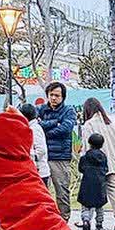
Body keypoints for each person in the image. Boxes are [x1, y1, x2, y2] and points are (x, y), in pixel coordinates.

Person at [80, 98, 115, 230]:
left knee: (91, 192)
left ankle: (87, 219)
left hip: (93, 166)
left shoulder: (89, 124)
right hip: (110, 162)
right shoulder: (110, 123)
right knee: (113, 188)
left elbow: (86, 146)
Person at [38, 82, 76, 220]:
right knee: (42, 191)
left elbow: (65, 129)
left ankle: (64, 218)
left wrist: (44, 130)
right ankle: (44, 219)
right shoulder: (40, 109)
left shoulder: (69, 111)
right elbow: (36, 127)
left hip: (60, 156)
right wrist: (55, 122)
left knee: (62, 189)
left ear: (63, 97)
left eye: (57, 95)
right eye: (51, 95)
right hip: (43, 157)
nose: (53, 98)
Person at [77, 132, 109, 230]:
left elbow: (81, 169)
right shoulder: (103, 157)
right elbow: (106, 169)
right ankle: (99, 225)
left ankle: (86, 220)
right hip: (100, 184)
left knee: (85, 205)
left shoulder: (85, 157)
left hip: (87, 183)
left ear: (89, 143)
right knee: (100, 206)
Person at [18, 102, 50, 190]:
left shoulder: (35, 129)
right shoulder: (28, 128)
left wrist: (29, 159)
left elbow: (41, 150)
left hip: (40, 173)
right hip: (33, 171)